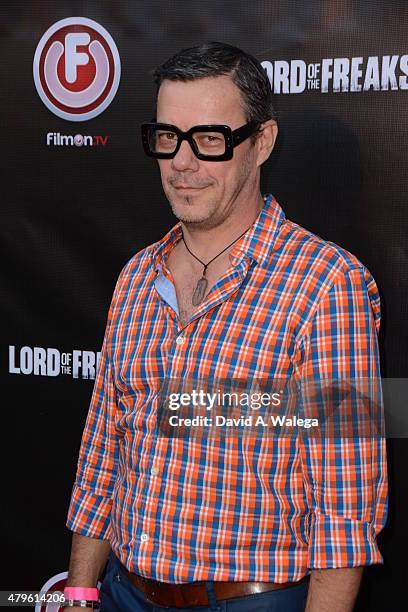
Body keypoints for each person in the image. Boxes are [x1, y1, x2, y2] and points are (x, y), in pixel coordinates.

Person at [63, 42, 388, 612]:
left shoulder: (328, 285)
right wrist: (82, 592)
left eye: (210, 139)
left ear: (262, 142)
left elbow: (344, 508)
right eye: (168, 137)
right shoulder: (135, 278)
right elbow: (101, 457)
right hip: (120, 592)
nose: (182, 162)